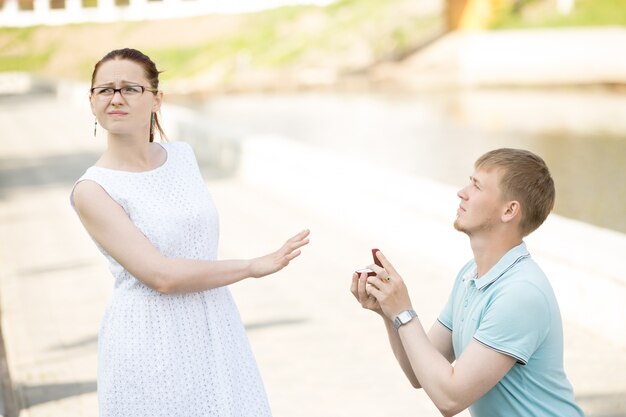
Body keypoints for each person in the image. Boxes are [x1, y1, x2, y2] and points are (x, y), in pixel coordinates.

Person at [70, 48, 310, 417]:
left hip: (216, 326)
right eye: (105, 90)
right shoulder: (93, 190)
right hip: (148, 341)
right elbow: (161, 275)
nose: (116, 98)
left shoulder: (182, 156)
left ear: (156, 99)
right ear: (91, 102)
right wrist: (251, 266)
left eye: (130, 89)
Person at [351, 148, 585, 417]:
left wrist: (404, 312)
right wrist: (389, 312)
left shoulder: (520, 293)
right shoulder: (470, 274)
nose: (462, 192)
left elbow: (450, 399)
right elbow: (421, 374)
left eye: (476, 186)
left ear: (509, 210)